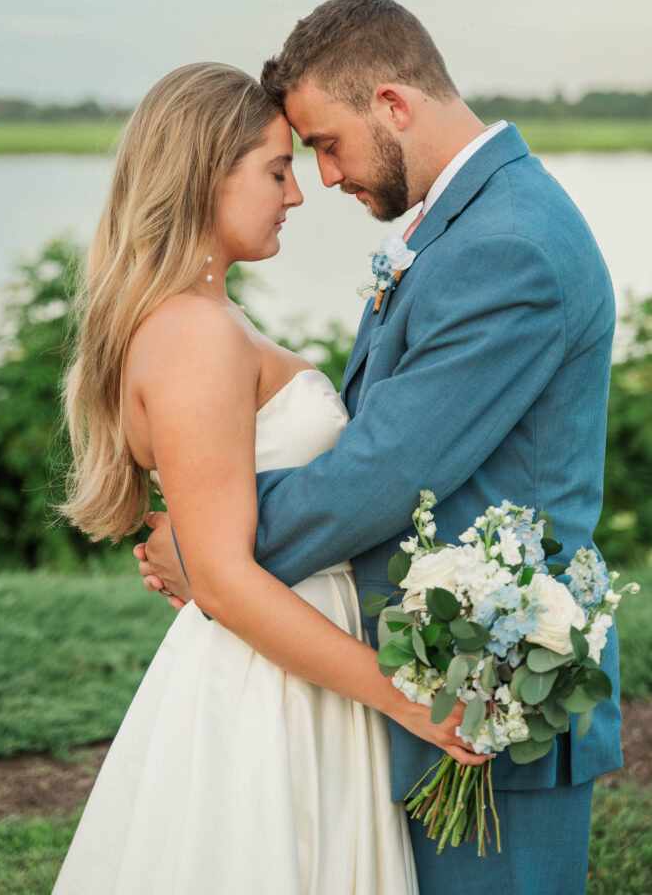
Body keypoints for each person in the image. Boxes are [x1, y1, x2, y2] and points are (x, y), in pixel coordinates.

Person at [139, 0, 623, 895]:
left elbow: (387, 469)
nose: (321, 178)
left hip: (496, 690)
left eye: (325, 144)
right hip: (437, 680)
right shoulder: (472, 221)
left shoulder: (505, 243)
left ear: (393, 106)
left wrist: (211, 551)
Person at [53, 60, 492, 895]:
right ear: (202, 177)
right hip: (268, 687)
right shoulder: (196, 336)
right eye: (277, 169)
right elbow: (219, 576)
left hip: (296, 659)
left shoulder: (208, 320)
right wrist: (401, 699)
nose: (296, 195)